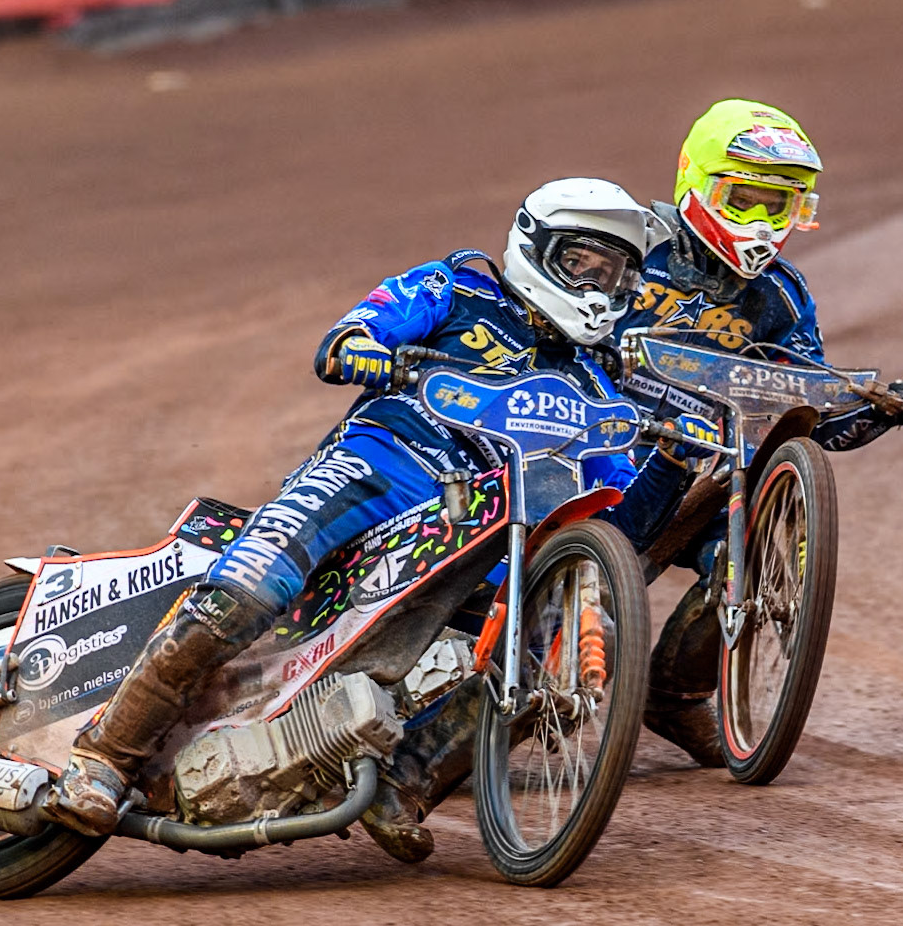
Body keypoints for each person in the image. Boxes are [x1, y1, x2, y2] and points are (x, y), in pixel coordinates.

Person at [45, 178, 688, 863]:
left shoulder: (599, 387)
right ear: (535, 248)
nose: (595, 286)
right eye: (581, 263)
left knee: (551, 644)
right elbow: (352, 333)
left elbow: (620, 526)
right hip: (381, 467)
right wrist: (361, 344)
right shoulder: (458, 288)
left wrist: (672, 461)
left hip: (481, 538)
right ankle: (107, 755)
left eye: (613, 273)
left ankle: (404, 783)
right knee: (254, 587)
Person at [614, 99, 903, 767]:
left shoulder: (781, 297)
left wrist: (873, 410)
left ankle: (672, 694)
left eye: (778, 206)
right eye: (745, 200)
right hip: (592, 448)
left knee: (749, 553)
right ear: (695, 182)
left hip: (699, 477)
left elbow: (804, 403)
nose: (760, 223)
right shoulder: (629, 244)